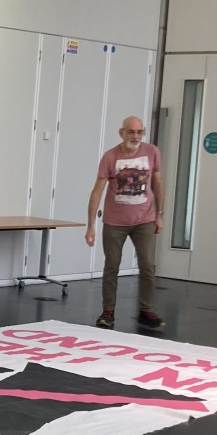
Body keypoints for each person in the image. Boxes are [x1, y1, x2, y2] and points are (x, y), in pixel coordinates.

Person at [85, 116, 166, 330]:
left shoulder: (152, 152)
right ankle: (108, 311)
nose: (136, 136)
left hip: (144, 220)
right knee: (112, 266)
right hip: (115, 222)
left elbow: (157, 183)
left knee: (147, 265)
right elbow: (97, 191)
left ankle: (146, 309)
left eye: (140, 132)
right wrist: (91, 225)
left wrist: (159, 213)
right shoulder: (110, 157)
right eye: (131, 132)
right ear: (122, 133)